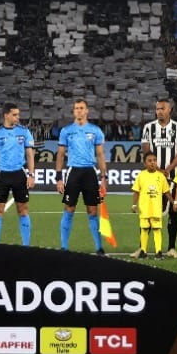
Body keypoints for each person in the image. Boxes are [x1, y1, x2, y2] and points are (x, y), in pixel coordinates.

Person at [56, 98, 108, 253]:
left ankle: (99, 248)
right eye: (76, 108)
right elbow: (60, 155)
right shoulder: (66, 131)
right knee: (69, 209)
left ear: (87, 111)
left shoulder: (95, 130)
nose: (79, 110)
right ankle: (64, 247)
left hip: (90, 173)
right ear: (74, 111)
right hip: (73, 173)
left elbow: (100, 155)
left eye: (81, 108)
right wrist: (59, 178)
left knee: (93, 211)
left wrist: (104, 178)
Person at [143, 98, 177, 258]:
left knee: (173, 212)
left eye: (162, 108)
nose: (159, 111)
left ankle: (171, 248)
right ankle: (143, 248)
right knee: (150, 211)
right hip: (154, 177)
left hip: (174, 176)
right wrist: (158, 169)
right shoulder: (149, 128)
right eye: (157, 109)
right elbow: (147, 152)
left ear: (170, 110)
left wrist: (168, 169)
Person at [0, 104, 36, 246]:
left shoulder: (24, 132)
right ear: (6, 115)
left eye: (18, 114)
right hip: (2, 176)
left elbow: (29, 154)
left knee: (23, 210)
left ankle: (26, 246)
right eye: (14, 115)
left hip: (19, 175)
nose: (17, 117)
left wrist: (31, 175)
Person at [131, 150, 171, 258]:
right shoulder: (141, 176)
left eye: (154, 160)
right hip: (144, 208)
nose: (152, 162)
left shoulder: (161, 176)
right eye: (149, 161)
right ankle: (143, 251)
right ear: (145, 163)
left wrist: (174, 202)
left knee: (157, 229)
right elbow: (136, 191)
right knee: (144, 229)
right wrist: (134, 205)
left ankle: (158, 252)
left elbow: (166, 192)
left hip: (156, 208)